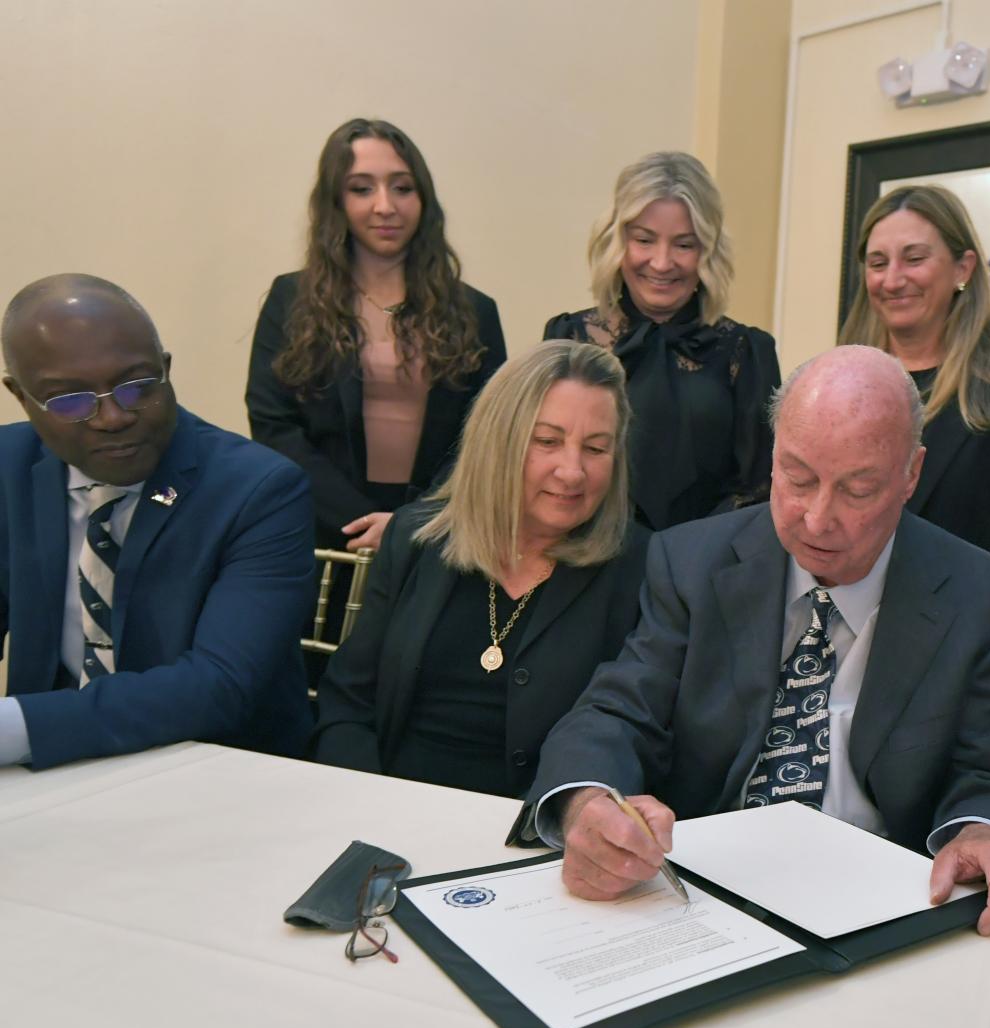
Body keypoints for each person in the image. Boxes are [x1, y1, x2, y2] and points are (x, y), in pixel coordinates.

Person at [525, 344, 990, 937]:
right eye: (798, 478)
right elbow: (618, 712)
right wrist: (588, 803)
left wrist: (983, 834)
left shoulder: (986, 599)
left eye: (858, 489)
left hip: (889, 902)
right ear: (774, 453)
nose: (816, 518)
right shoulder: (692, 562)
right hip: (706, 892)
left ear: (911, 473)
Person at [0, 274, 314, 768]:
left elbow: (220, 685)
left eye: (137, 387)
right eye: (71, 401)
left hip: (215, 767)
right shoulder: (9, 466)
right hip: (50, 766)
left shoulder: (258, 490)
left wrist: (16, 727)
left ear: (165, 369)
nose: (112, 418)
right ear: (21, 397)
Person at [310, 340, 648, 797]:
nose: (572, 471)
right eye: (547, 442)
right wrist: (369, 801)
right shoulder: (416, 538)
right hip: (387, 805)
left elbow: (632, 739)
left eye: (596, 448)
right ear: (497, 441)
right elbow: (347, 703)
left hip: (535, 826)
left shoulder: (641, 567)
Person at [247, 118, 505, 555]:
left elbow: (488, 437)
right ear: (336, 201)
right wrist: (362, 524)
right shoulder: (290, 299)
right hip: (320, 538)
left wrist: (409, 525)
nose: (385, 206)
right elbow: (274, 426)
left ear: (423, 198)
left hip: (435, 539)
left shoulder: (476, 312)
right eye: (362, 189)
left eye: (402, 188)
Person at [839, 184, 990, 597]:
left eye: (914, 259)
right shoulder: (835, 387)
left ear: (963, 268)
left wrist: (977, 627)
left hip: (953, 627)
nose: (892, 280)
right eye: (878, 263)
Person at [544, 151, 778, 531]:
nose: (662, 262)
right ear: (617, 241)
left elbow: (758, 487)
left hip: (705, 557)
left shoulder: (747, 352)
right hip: (586, 551)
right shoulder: (568, 339)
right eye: (644, 240)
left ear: (708, 251)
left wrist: (685, 552)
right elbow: (547, 465)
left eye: (684, 244)